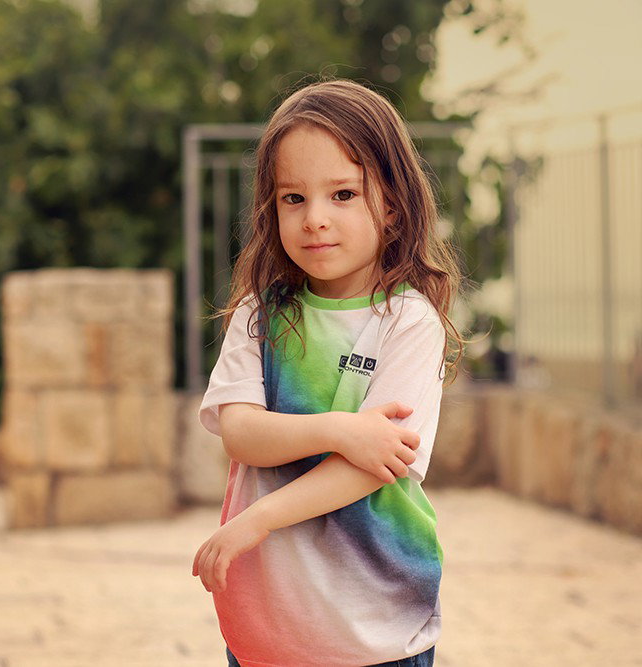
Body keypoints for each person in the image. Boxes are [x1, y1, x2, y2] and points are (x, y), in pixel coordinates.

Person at [191, 77, 469, 667]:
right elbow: (241, 432)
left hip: (375, 630)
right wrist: (342, 430)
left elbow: (372, 469)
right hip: (266, 629)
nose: (315, 218)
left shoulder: (408, 322)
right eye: (294, 198)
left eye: (342, 194)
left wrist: (256, 519)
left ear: (392, 205)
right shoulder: (259, 315)